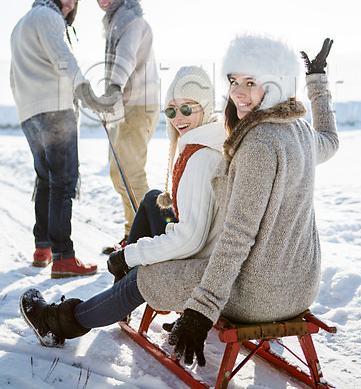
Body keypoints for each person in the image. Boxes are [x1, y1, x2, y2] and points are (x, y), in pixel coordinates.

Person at [19, 37, 338, 369]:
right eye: (233, 81)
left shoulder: (257, 144)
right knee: (152, 208)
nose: (237, 93)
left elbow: (237, 236)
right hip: (301, 286)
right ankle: (118, 288)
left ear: (274, 85)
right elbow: (330, 140)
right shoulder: (298, 130)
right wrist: (317, 81)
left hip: (258, 292)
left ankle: (60, 322)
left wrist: (201, 311)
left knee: (150, 276)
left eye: (250, 83)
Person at [19, 65, 226, 346]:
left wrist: (131, 255)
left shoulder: (202, 158)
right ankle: (120, 293)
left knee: (143, 273)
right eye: (171, 111)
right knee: (153, 199)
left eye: (187, 109)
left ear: (206, 106)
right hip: (204, 248)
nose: (178, 118)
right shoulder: (206, 140)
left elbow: (190, 241)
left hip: (198, 264)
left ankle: (60, 323)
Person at [10, 0, 107, 278]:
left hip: (30, 112)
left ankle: (43, 248)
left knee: (46, 179)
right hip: (55, 109)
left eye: (75, 1)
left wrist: (26, 109)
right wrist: (83, 88)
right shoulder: (48, 17)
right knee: (64, 181)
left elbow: (14, 75)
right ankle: (64, 257)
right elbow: (61, 55)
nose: (70, 5)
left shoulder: (22, 24)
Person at [92, 0, 160, 253]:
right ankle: (133, 234)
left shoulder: (130, 20)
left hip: (138, 105)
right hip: (126, 106)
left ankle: (151, 240)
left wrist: (113, 88)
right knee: (120, 173)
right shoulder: (116, 22)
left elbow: (126, 57)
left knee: (130, 173)